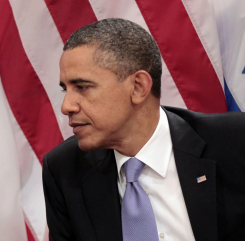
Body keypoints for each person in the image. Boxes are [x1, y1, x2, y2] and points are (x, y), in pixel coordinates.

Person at [43, 18, 245, 241]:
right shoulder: (64, 170)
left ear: (138, 87)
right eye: (66, 90)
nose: (66, 107)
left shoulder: (234, 141)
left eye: (82, 87)